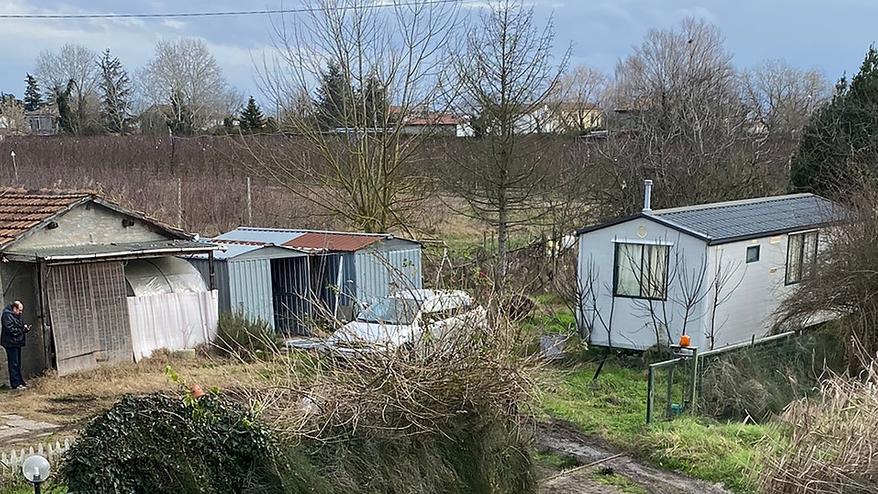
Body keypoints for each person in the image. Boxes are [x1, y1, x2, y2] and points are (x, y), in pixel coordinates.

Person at [1, 301, 30, 390]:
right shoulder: (7, 315)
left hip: (16, 342)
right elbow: (10, 330)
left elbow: (18, 326)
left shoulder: (15, 315)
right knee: (14, 363)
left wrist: (25, 328)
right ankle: (15, 384)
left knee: (17, 363)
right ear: (14, 308)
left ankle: (20, 381)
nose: (21, 312)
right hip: (11, 343)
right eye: (20, 310)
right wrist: (22, 330)